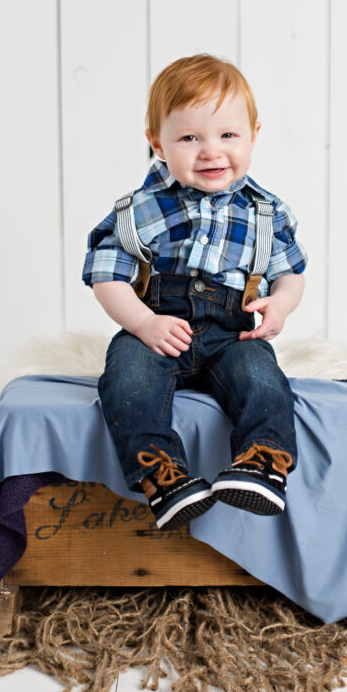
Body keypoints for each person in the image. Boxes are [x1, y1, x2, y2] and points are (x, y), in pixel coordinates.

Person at [83, 54, 307, 530]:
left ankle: (263, 462)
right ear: (157, 144)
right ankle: (163, 477)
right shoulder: (139, 210)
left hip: (231, 335)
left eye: (228, 135)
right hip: (158, 328)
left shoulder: (266, 213)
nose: (211, 152)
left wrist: (281, 303)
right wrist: (143, 323)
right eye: (190, 138)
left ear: (253, 135)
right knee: (127, 379)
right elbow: (107, 277)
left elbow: (291, 272)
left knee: (262, 378)